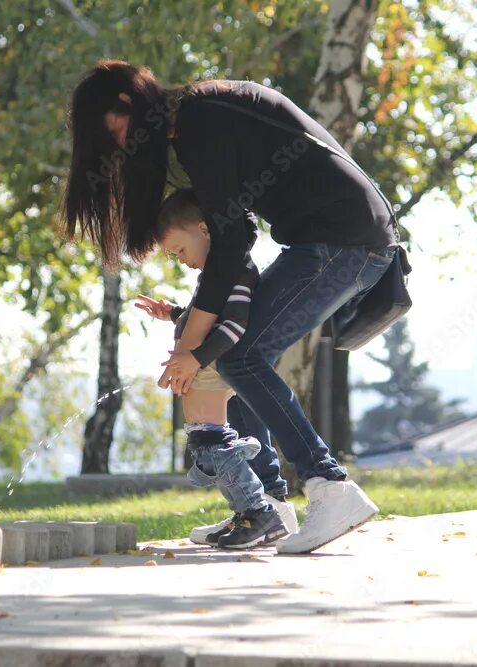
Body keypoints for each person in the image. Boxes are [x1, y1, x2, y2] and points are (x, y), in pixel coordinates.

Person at [61, 60, 400, 554]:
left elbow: (230, 245)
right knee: (235, 355)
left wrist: (193, 349)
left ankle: (330, 485)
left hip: (346, 242)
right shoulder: (192, 121)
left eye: (107, 129)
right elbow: (234, 234)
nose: (113, 145)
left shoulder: (201, 117)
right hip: (329, 242)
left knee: (238, 356)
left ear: (127, 102)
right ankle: (267, 508)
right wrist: (194, 342)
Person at [136, 188, 298, 549]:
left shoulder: (234, 271)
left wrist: (195, 358)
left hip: (215, 365)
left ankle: (260, 513)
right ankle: (249, 511)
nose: (181, 260)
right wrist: (175, 314)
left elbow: (234, 325)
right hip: (210, 366)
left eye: (180, 249)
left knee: (210, 443)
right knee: (209, 441)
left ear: (205, 229)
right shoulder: (217, 275)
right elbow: (211, 317)